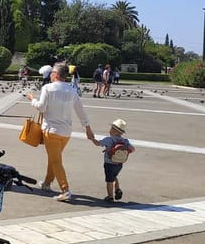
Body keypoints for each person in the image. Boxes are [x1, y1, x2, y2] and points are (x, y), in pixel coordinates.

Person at [26, 64, 94, 201]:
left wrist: (32, 99)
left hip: (51, 131)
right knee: (54, 158)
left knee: (56, 160)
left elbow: (41, 107)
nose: (50, 74)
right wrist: (87, 128)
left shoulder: (47, 88)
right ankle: (46, 183)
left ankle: (65, 189)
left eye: (51, 72)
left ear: (56, 74)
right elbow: (80, 111)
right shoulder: (72, 90)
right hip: (66, 133)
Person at [90, 119, 134, 202]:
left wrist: (92, 138)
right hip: (119, 164)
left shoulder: (108, 139)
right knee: (114, 176)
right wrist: (124, 149)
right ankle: (117, 189)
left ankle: (110, 197)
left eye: (111, 128)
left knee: (109, 180)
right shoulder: (124, 141)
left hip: (109, 163)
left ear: (113, 130)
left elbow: (98, 143)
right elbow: (132, 149)